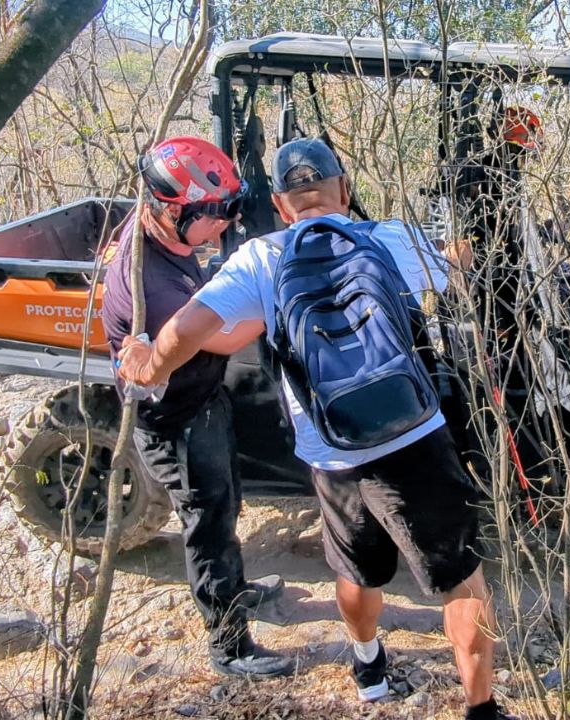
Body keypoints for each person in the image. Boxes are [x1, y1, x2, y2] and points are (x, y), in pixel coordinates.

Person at [117, 138, 516, 720]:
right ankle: (481, 709)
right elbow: (455, 265)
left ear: (280, 206)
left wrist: (147, 365)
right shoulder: (388, 239)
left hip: (331, 451)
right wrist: (463, 241)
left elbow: (185, 328)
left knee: (355, 568)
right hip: (412, 435)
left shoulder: (258, 259)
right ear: (346, 192)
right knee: (461, 582)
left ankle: (368, 667)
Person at [100, 136, 295, 678]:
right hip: (176, 420)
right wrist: (281, 296)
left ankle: (235, 589)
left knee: (227, 499)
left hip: (203, 398)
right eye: (213, 214)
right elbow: (229, 335)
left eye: (230, 209)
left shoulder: (161, 237)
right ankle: (229, 645)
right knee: (207, 522)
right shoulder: (152, 283)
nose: (225, 224)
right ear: (167, 210)